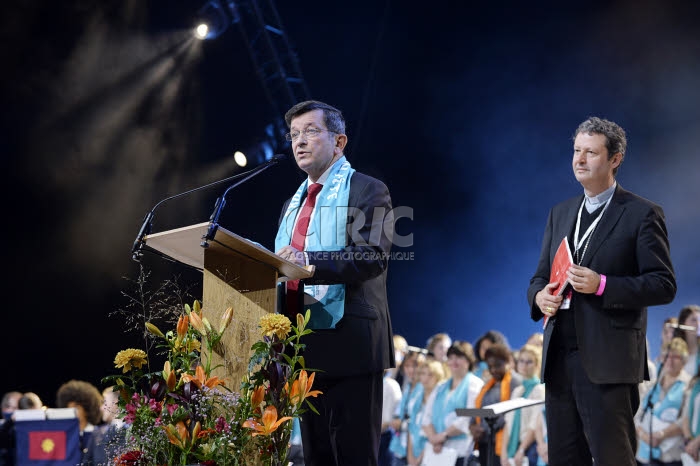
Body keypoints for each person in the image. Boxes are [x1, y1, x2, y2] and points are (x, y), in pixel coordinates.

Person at [527, 116, 677, 465]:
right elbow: (537, 278)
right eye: (577, 151)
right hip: (559, 358)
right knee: (563, 459)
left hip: (609, 362)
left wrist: (603, 285)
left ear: (615, 158)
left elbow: (663, 283)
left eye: (591, 152)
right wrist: (539, 297)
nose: (579, 160)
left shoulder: (641, 213)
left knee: (612, 458)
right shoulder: (560, 212)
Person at [274, 100, 394, 466]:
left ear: (339, 142)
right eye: (294, 134)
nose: (299, 142)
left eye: (310, 131)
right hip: (302, 348)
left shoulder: (367, 190)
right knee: (317, 459)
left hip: (350, 346)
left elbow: (371, 256)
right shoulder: (291, 205)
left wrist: (307, 262)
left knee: (354, 458)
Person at [423, 341, 484, 466]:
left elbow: (469, 417)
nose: (454, 361)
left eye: (459, 357)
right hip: (436, 450)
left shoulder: (475, 384)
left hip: (460, 451)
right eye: (451, 358)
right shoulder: (440, 387)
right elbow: (426, 416)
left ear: (468, 361)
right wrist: (434, 438)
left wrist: (443, 436)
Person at [634, 337, 691, 465]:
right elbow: (638, 413)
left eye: (675, 357)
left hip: (670, 456)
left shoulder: (689, 386)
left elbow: (686, 419)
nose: (670, 360)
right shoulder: (653, 384)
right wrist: (644, 436)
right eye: (667, 356)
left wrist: (661, 435)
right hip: (643, 453)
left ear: (684, 360)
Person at [469, 343, 523, 466]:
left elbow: (512, 413)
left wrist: (488, 427)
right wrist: (473, 426)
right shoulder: (487, 384)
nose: (493, 370)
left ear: (508, 361)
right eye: (490, 366)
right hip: (484, 443)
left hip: (503, 444)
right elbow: (478, 410)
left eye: (497, 365)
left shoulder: (516, 382)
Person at [501, 344, 545, 466]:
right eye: (521, 361)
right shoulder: (517, 390)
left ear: (537, 365)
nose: (524, 365)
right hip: (513, 448)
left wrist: (521, 449)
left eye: (529, 362)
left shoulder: (539, 390)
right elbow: (508, 423)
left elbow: (535, 424)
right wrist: (504, 453)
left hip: (530, 448)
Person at [56, 379, 103, 465]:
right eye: (69, 408)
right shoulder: (65, 435)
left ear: (87, 409)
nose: (72, 412)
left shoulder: (97, 433)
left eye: (76, 408)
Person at [673, 305, 700, 377]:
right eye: (694, 320)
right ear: (683, 323)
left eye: (699, 320)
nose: (698, 324)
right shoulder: (673, 351)